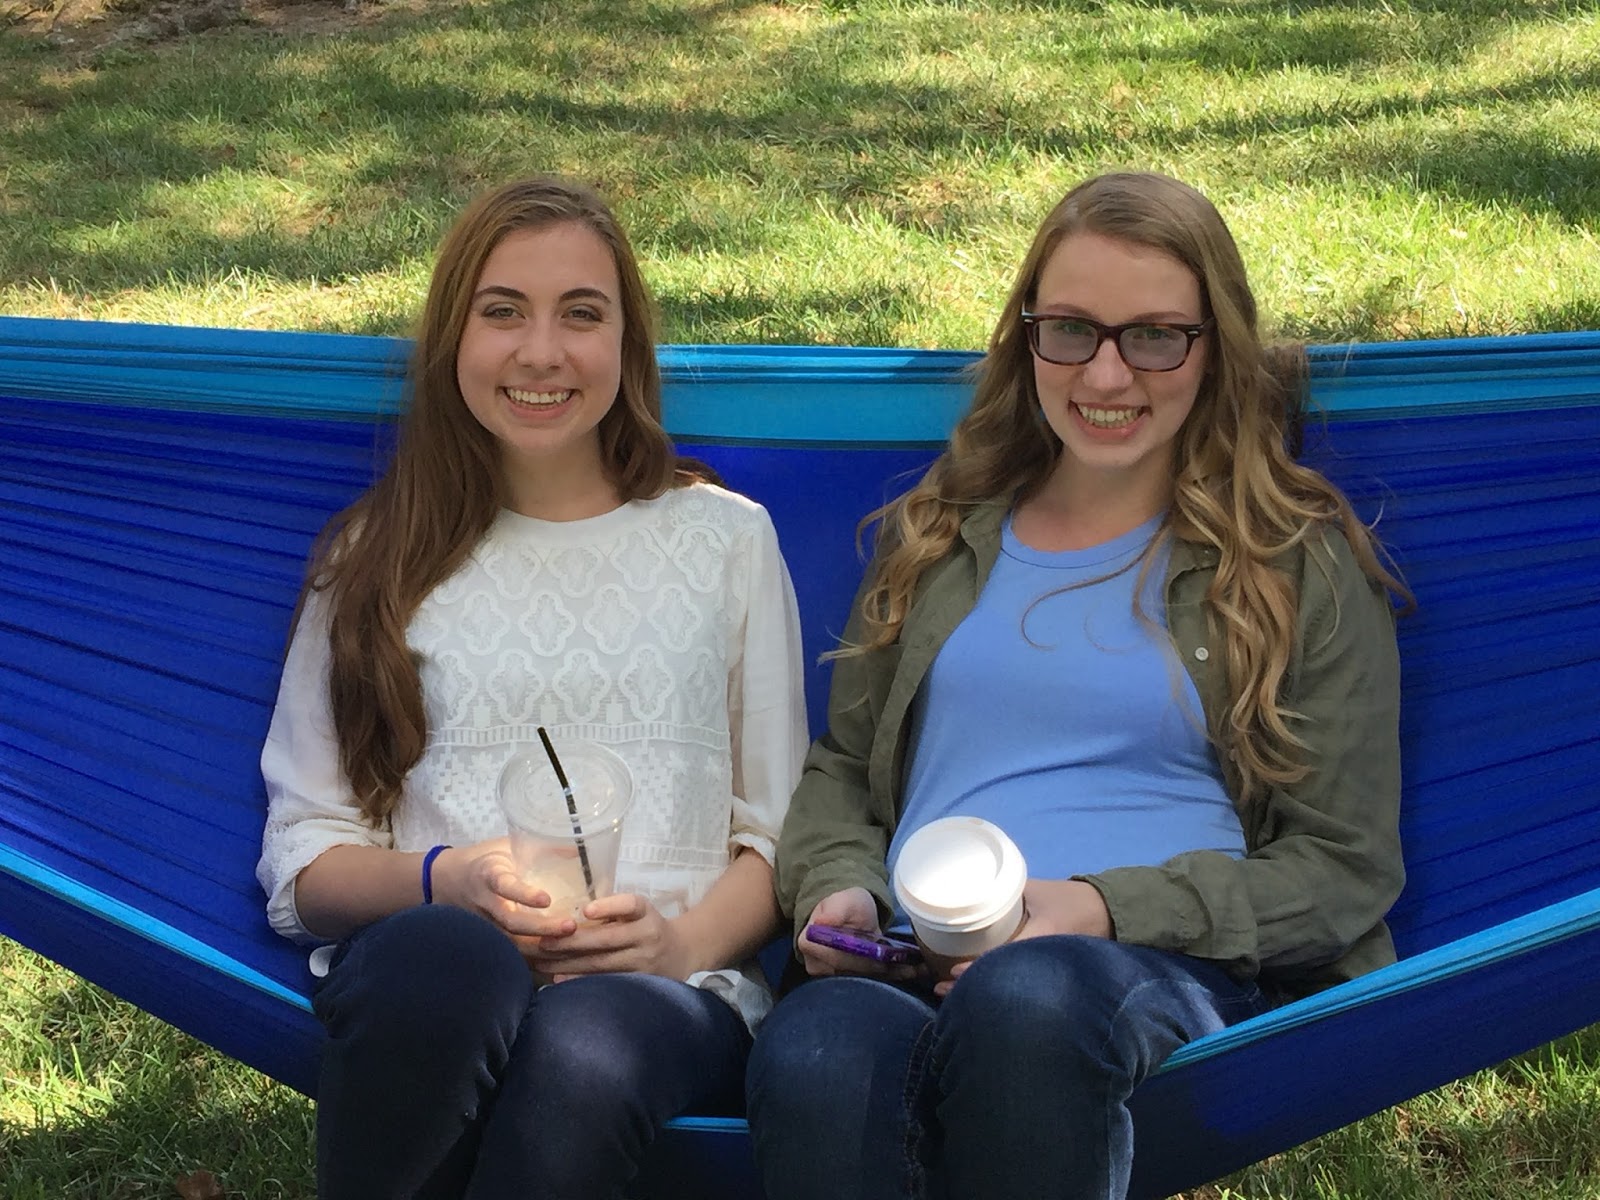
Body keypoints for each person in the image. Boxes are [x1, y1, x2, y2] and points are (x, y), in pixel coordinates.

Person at [744, 171, 1408, 1200]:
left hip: (1153, 965)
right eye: (1070, 331)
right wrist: (841, 890)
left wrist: (1099, 907)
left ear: (1215, 347)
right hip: (918, 952)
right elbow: (843, 767)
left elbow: (1343, 869)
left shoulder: (1289, 563)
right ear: (1027, 338)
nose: (1105, 373)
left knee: (1027, 1001)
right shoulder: (939, 533)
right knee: (814, 1053)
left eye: (1155, 337)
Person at [255, 176, 808, 1200]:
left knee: (585, 1045)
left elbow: (777, 836)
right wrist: (446, 879)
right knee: (447, 960)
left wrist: (676, 945)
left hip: (666, 993)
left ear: (627, 344)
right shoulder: (375, 557)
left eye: (581, 315)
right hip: (436, 978)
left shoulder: (725, 541)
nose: (541, 352)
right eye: (503, 311)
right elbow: (304, 863)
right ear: (452, 340)